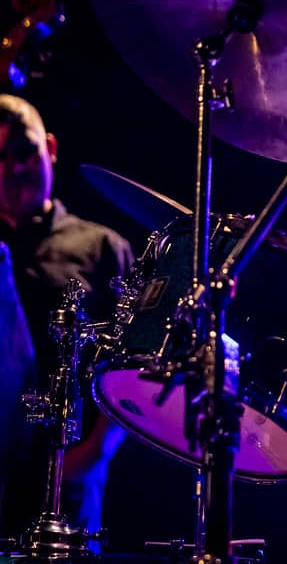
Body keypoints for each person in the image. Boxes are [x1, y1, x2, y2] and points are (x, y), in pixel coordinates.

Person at [0, 93, 132, 539]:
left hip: (66, 479)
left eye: (24, 151)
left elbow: (133, 363)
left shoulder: (101, 248)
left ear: (51, 148)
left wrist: (95, 453)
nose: (12, 169)